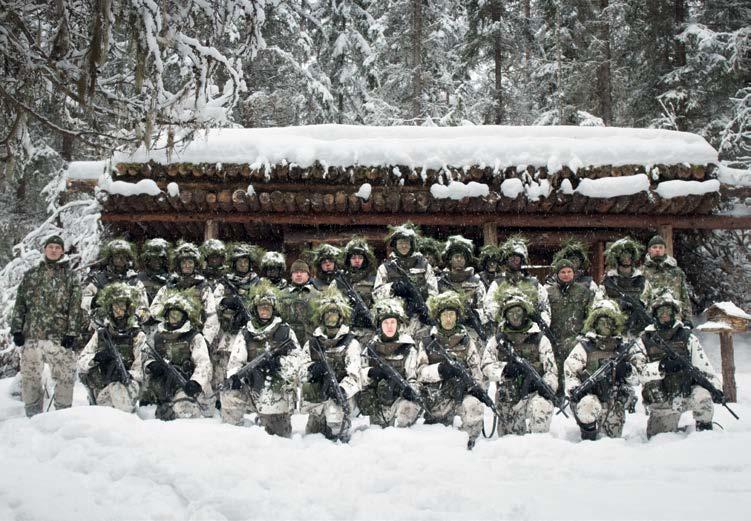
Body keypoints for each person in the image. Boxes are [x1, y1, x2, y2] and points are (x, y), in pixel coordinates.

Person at [632, 288, 721, 437]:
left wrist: (716, 389)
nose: (665, 314)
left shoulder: (688, 337)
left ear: (674, 313)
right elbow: (636, 374)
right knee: (659, 437)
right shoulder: (644, 340)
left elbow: (704, 368)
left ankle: (705, 434)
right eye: (661, 311)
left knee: (703, 397)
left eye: (668, 310)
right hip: (662, 400)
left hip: (686, 393)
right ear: (655, 314)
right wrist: (661, 367)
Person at [11, 235, 82, 417]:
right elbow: (20, 304)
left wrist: (72, 332)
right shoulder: (32, 275)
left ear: (62, 251)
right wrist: (17, 329)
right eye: (50, 247)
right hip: (32, 337)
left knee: (65, 376)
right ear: (45, 249)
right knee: (30, 377)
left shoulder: (70, 277)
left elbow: (75, 307)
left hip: (59, 338)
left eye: (57, 248)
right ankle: (32, 417)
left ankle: (62, 417)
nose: (53, 250)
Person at [221, 280, 304, 437]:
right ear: (255, 309)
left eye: (268, 308)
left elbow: (298, 359)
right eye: (261, 308)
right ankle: (234, 437)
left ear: (273, 310)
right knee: (229, 395)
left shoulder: (285, 331)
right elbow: (236, 360)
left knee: (278, 433)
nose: (264, 311)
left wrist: (280, 364)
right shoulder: (246, 332)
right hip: (251, 382)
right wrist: (235, 376)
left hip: (276, 384)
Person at [482, 288, 558, 435]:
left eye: (518, 312)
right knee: (509, 439)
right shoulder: (498, 340)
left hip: (534, 393)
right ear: (505, 316)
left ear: (525, 314)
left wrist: (546, 386)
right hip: (508, 394)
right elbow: (485, 365)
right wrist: (504, 369)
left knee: (541, 407)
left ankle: (539, 446)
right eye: (511, 313)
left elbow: (551, 370)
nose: (515, 316)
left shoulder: (539, 339)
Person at [417, 291, 485, 449]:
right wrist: (440, 370)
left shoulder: (467, 341)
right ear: (438, 318)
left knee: (474, 408)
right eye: (445, 315)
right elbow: (420, 373)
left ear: (457, 316)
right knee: (436, 437)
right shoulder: (427, 342)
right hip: (437, 395)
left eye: (452, 315)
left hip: (462, 395)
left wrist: (476, 389)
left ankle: (469, 445)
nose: (448, 319)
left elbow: (476, 372)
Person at [564, 300, 639, 440]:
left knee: (613, 440)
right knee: (587, 407)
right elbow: (570, 371)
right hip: (591, 398)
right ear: (594, 323)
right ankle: (588, 439)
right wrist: (575, 389)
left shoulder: (623, 348)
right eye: (601, 321)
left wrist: (627, 370)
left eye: (609, 321)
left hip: (614, 399)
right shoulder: (585, 346)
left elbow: (637, 379)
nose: (605, 325)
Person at [300, 287, 362, 441]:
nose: (331, 318)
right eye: (328, 314)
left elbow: (355, 375)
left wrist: (342, 389)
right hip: (318, 396)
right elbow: (299, 370)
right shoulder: (313, 343)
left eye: (334, 314)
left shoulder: (351, 343)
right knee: (312, 437)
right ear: (322, 317)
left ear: (341, 317)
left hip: (340, 397)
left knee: (336, 432)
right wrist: (312, 369)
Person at [141, 290, 213, 420]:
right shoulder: (157, 336)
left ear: (185, 316)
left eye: (177, 315)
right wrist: (151, 364)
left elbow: (203, 363)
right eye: (171, 315)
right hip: (162, 384)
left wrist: (196, 382)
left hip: (185, 384)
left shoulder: (194, 337)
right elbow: (145, 354)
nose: (174, 319)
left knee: (184, 411)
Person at [78, 283, 145, 412]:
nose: (118, 311)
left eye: (122, 307)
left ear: (128, 309)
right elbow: (81, 362)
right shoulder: (101, 334)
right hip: (103, 384)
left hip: (127, 385)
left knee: (119, 408)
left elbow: (141, 370)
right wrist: (96, 358)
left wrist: (127, 375)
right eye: (115, 307)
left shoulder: (137, 335)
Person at [357, 298, 423, 428]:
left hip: (400, 400)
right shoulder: (371, 347)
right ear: (380, 325)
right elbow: (359, 376)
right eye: (385, 322)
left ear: (398, 324)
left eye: (393, 322)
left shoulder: (408, 348)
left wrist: (410, 390)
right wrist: (370, 372)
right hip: (378, 401)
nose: (389, 326)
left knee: (405, 417)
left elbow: (415, 378)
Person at [374, 223, 438, 335]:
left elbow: (434, 292)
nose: (404, 246)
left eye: (406, 243)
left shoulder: (424, 265)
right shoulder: (385, 267)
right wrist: (392, 288)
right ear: (395, 245)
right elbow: (376, 294)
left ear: (412, 245)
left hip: (421, 320)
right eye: (400, 243)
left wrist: (423, 307)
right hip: (395, 322)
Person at [150, 242, 219, 346]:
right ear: (179, 264)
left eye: (190, 262)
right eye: (184, 262)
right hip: (169, 336)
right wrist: (168, 311)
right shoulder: (169, 287)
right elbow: (153, 310)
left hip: (194, 337)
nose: (187, 265)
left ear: (195, 264)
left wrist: (206, 340)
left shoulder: (203, 288)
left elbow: (212, 316)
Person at [544, 258, 595, 393]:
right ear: (557, 274)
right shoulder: (548, 292)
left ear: (574, 273)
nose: (566, 275)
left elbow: (589, 316)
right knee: (556, 371)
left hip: (576, 340)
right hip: (554, 339)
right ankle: (558, 396)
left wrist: (583, 334)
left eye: (569, 271)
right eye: (562, 272)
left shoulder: (583, 292)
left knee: (574, 371)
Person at [484, 235, 551, 327]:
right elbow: (489, 308)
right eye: (511, 259)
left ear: (522, 260)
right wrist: (506, 316)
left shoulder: (534, 283)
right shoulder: (498, 284)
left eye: (517, 259)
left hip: (531, 329)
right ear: (506, 261)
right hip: (506, 330)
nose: (514, 261)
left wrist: (540, 324)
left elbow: (545, 308)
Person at [82, 239, 149, 324]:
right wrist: (94, 301)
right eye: (117, 256)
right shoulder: (99, 280)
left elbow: (145, 309)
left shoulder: (134, 282)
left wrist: (135, 318)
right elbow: (84, 301)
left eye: (124, 257)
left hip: (130, 329)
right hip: (103, 328)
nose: (120, 260)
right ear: (110, 258)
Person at [436, 235, 487, 343]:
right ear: (450, 260)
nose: (459, 259)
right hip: (446, 328)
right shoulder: (440, 282)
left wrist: (474, 314)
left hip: (472, 328)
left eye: (462, 257)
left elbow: (484, 307)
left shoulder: (476, 282)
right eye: (456, 257)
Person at [599, 237, 652, 337]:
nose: (626, 259)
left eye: (629, 257)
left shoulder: (642, 280)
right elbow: (600, 303)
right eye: (623, 256)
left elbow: (648, 304)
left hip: (637, 329)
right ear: (618, 258)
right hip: (613, 328)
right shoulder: (608, 280)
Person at [640, 235, 693, 325]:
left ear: (665, 250)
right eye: (654, 247)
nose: (658, 250)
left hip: (675, 317)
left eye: (660, 247)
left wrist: (687, 319)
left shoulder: (677, 272)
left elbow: (684, 296)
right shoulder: (641, 272)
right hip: (650, 319)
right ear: (649, 250)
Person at [336, 237, 378, 338]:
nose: (357, 260)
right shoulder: (340, 280)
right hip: (345, 329)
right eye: (353, 258)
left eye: (360, 258)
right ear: (348, 260)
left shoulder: (374, 280)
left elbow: (379, 303)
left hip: (368, 329)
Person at [278, 258, 320, 348]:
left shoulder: (317, 295)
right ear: (291, 275)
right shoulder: (281, 295)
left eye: (302, 272)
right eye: (296, 272)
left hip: (311, 340)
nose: (299, 274)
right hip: (287, 340)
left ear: (308, 275)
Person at [137, 238, 172, 304]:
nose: (158, 262)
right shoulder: (140, 278)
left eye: (160, 258)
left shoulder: (171, 279)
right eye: (154, 259)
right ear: (148, 260)